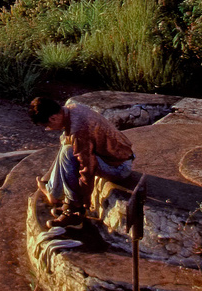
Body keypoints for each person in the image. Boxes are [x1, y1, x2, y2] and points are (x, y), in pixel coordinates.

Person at [29, 96, 134, 224]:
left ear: (53, 118)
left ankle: (73, 211)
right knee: (66, 143)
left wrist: (84, 201)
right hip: (118, 157)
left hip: (119, 167)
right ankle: (54, 193)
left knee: (69, 152)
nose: (49, 129)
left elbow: (87, 168)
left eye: (47, 125)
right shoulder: (73, 109)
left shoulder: (78, 129)